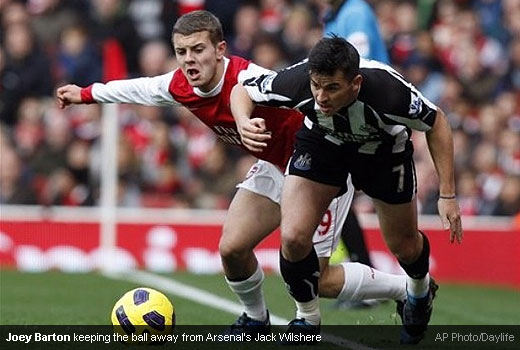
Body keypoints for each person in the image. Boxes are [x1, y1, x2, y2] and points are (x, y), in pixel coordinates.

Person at [57, 11, 408, 338]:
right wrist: (85, 94)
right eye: (181, 51)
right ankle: (256, 319)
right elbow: (139, 88)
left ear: (220, 49)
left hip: (318, 167)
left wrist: (247, 120)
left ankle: (404, 290)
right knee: (232, 249)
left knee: (318, 279)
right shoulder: (180, 85)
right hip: (274, 167)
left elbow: (301, 96)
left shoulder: (250, 77)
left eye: (198, 49)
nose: (189, 60)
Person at [231, 36, 463, 344]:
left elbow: (438, 123)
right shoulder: (299, 80)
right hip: (324, 146)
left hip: (383, 155)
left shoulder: (389, 93)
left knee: (405, 246)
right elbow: (241, 90)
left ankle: (419, 293)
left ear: (355, 83)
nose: (321, 97)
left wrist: (447, 194)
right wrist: (243, 120)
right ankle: (308, 320)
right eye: (317, 86)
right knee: (293, 237)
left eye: (332, 88)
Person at [322, 1, 389, 305]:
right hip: (354, 116)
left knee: (339, 190)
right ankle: (368, 277)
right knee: (338, 191)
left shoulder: (355, 12)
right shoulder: (337, 14)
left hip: (366, 116)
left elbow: (362, 62)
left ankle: (376, 283)